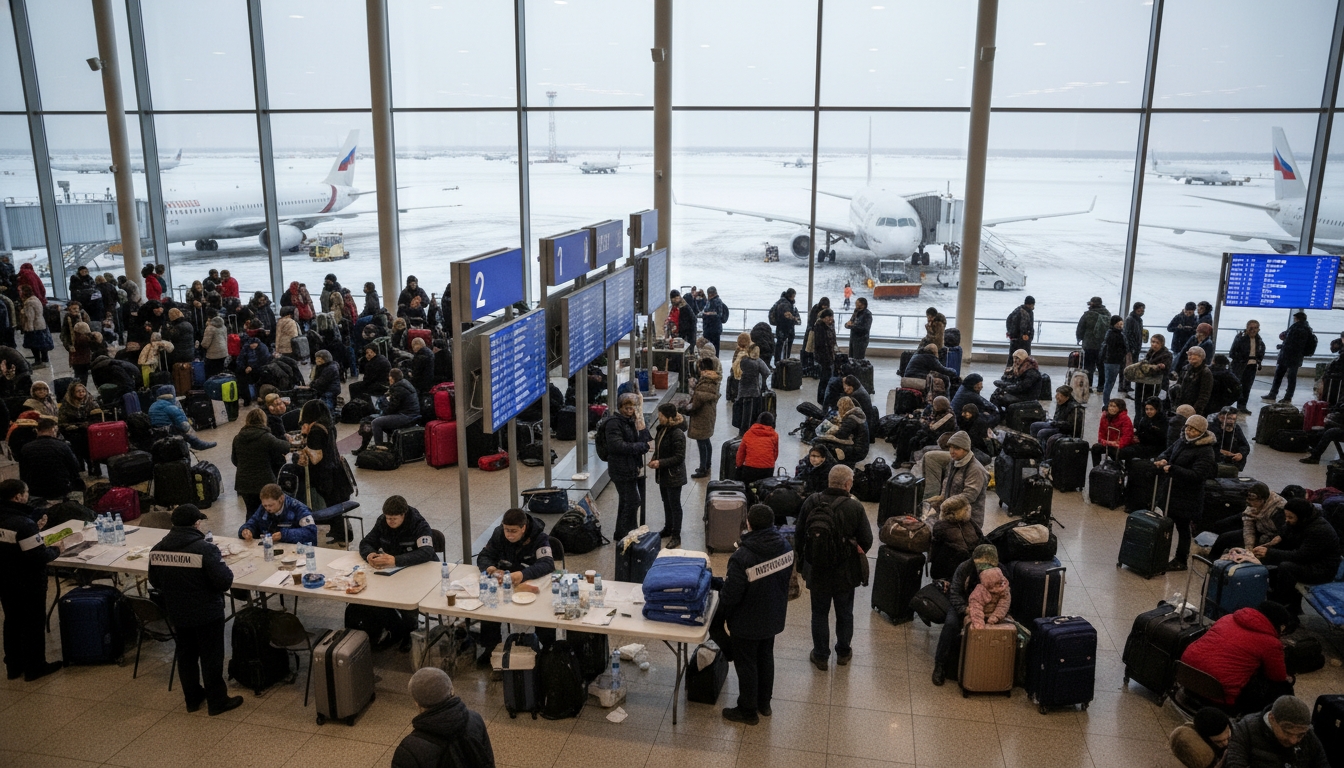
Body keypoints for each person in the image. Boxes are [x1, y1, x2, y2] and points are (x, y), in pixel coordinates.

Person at [148, 504, 243, 716]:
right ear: (196, 523)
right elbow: (224, 581)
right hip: (206, 613)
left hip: (178, 613)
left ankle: (192, 698)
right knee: (211, 657)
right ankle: (217, 701)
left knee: (186, 656)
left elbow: (154, 581)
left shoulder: (157, 549)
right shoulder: (204, 549)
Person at [720, 503, 793, 725]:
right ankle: (764, 703)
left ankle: (747, 710)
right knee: (765, 657)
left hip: (747, 621)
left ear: (748, 524)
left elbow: (732, 595)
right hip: (773, 615)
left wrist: (721, 613)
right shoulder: (785, 546)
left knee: (747, 664)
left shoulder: (743, 556)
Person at [796, 465, 873, 671]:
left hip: (817, 568)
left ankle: (820, 655)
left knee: (819, 613)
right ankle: (843, 652)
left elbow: (799, 534)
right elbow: (867, 540)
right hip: (845, 572)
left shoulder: (811, 502)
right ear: (848, 484)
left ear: (829, 481)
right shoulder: (855, 507)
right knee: (845, 612)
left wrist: (804, 563)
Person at [1181, 602, 1295, 714]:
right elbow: (1277, 677)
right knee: (1281, 687)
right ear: (1280, 626)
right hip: (1218, 698)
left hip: (1187, 678)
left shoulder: (1227, 618)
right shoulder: (1272, 643)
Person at [0, 478, 63, 681]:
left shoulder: (11, 520)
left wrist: (35, 529)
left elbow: (13, 544)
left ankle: (14, 666)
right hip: (28, 582)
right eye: (26, 493)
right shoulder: (23, 524)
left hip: (5, 580)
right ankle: (35, 667)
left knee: (12, 622)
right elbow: (38, 557)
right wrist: (56, 549)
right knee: (32, 624)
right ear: (18, 496)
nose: (28, 497)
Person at [358, 496, 437, 651]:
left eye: (394, 519)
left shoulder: (419, 525)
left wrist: (396, 560)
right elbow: (366, 542)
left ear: (404, 514)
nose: (390, 522)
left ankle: (409, 632)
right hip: (391, 572)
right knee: (373, 599)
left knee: (407, 601)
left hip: (418, 572)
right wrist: (370, 555)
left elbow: (427, 552)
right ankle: (395, 629)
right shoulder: (382, 521)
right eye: (388, 518)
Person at [476, 507, 554, 658]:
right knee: (489, 604)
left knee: (544, 610)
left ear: (523, 528)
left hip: (532, 584)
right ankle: (490, 649)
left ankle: (548, 650)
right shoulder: (499, 534)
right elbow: (484, 555)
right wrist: (490, 568)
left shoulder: (539, 537)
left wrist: (523, 574)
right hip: (506, 583)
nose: (509, 535)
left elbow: (547, 564)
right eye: (506, 530)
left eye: (513, 531)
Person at [393, 667, 495, 768]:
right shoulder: (474, 719)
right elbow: (488, 762)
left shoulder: (409, 750)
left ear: (416, 703)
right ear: (452, 691)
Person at [1154, 413, 1218, 570]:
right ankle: (1162, 554)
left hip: (1188, 497)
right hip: (1171, 493)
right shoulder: (1182, 440)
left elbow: (1198, 475)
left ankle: (1181, 560)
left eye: (1194, 430)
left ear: (1202, 432)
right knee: (1168, 525)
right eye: (1188, 427)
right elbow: (1167, 452)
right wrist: (1162, 459)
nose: (1189, 432)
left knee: (1183, 529)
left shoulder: (1206, 451)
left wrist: (1173, 468)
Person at [1258, 497, 1341, 617]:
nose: (1287, 520)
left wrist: (1269, 552)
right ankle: (1282, 604)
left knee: (1286, 568)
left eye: (1290, 517)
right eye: (1286, 516)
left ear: (1301, 516)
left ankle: (1282, 607)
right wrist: (1280, 537)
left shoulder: (1319, 530)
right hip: (1310, 561)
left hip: (1323, 570)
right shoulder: (1302, 521)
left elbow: (1300, 556)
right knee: (1272, 561)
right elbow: (1286, 529)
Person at [932, 544, 1000, 685]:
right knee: (950, 625)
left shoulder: (1000, 572)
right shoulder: (964, 568)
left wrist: (994, 612)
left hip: (990, 609)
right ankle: (940, 664)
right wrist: (965, 609)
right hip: (965, 605)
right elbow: (955, 592)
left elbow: (1005, 596)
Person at [1224, 695, 1330, 768]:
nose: (1293, 741)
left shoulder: (1308, 735)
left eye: (1300, 735)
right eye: (1287, 732)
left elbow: (1321, 763)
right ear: (1272, 719)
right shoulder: (1245, 729)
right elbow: (1235, 763)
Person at [604, 393, 650, 543]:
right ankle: (627, 533)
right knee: (633, 501)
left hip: (630, 467)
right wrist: (638, 447)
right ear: (620, 407)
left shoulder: (631, 421)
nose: (630, 411)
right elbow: (616, 445)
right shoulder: (614, 423)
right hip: (620, 468)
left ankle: (621, 533)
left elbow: (646, 438)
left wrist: (640, 422)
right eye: (627, 408)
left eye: (632, 408)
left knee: (626, 501)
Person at [295, 401, 353, 517]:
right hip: (335, 470)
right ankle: (341, 531)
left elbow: (315, 457)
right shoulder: (329, 426)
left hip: (324, 474)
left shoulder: (316, 430)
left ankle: (339, 532)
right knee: (336, 507)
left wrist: (303, 444)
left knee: (331, 507)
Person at [924, 430, 990, 529]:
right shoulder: (954, 461)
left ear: (966, 449)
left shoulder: (976, 469)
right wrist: (940, 498)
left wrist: (945, 505)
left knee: (934, 530)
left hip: (967, 519)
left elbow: (969, 496)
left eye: (956, 448)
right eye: (950, 447)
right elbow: (947, 482)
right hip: (950, 511)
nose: (951, 451)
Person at [231, 408, 293, 513]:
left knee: (251, 512)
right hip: (264, 482)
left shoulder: (238, 438)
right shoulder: (266, 437)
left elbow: (234, 460)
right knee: (270, 512)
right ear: (263, 420)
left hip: (244, 484)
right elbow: (285, 447)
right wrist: (289, 440)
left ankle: (250, 529)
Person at [650, 402, 687, 549]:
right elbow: (659, 448)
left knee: (675, 505)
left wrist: (660, 463)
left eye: (661, 415)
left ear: (668, 417)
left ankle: (676, 535)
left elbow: (679, 457)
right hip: (664, 474)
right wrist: (654, 458)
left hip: (674, 475)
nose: (659, 418)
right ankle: (668, 528)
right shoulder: (662, 429)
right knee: (666, 502)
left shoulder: (677, 433)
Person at [20, 417, 83, 499]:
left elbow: (23, 473)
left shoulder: (26, 448)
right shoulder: (63, 446)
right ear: (53, 429)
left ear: (37, 430)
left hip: (35, 490)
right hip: (60, 489)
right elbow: (75, 467)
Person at [1264, 311, 1317, 405]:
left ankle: (1276, 394)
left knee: (1280, 376)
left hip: (1287, 356)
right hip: (1296, 358)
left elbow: (1289, 341)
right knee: (1291, 377)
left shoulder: (1296, 328)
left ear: (1297, 319)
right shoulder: (1308, 329)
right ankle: (1287, 396)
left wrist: (1282, 346)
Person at [238, 483, 317, 545]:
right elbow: (254, 521)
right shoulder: (263, 508)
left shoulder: (299, 509)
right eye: (265, 505)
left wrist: (284, 535)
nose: (268, 508)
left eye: (271, 505)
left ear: (281, 499)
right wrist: (246, 530)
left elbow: (311, 532)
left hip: (297, 550)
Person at [929, 496, 984, 581]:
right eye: (966, 509)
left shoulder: (969, 521)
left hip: (973, 561)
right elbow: (944, 551)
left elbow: (981, 537)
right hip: (954, 567)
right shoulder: (941, 527)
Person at [149, 388, 217, 451]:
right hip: (168, 431)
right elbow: (183, 426)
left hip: (156, 432)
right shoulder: (171, 407)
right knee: (183, 433)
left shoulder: (153, 405)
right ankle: (198, 445)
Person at [686, 357, 721, 479]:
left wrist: (686, 407)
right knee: (706, 440)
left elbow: (698, 400)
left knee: (702, 442)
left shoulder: (705, 381)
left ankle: (703, 468)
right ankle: (707, 464)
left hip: (702, 415)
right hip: (709, 414)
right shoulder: (712, 379)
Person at [57, 382, 102, 477]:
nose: (81, 393)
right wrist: (73, 426)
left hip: (89, 429)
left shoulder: (91, 402)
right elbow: (62, 422)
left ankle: (93, 468)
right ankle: (80, 466)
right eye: (78, 391)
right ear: (73, 393)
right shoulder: (67, 405)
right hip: (73, 431)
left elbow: (97, 418)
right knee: (78, 442)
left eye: (83, 391)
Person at [814, 396, 869, 466]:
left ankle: (836, 457)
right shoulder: (857, 415)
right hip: (861, 448)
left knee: (819, 442)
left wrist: (832, 428)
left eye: (839, 407)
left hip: (857, 451)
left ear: (843, 407)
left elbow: (840, 435)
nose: (839, 410)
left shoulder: (851, 419)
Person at [733, 343, 772, 436]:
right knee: (749, 414)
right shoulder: (758, 362)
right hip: (753, 391)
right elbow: (767, 372)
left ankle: (741, 431)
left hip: (742, 390)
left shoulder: (741, 359)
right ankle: (746, 433)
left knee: (742, 412)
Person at [1229, 320, 1266, 414]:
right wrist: (1242, 359)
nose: (1253, 330)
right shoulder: (1240, 338)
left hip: (1252, 366)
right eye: (1251, 328)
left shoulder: (1259, 340)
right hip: (1240, 366)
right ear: (1247, 328)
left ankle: (1242, 406)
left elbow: (1261, 350)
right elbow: (1232, 353)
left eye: (1255, 328)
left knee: (1247, 387)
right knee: (1235, 386)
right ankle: (1228, 405)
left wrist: (1258, 359)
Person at [1076, 296, 1111, 388]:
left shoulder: (1088, 315)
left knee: (1089, 366)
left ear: (1091, 304)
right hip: (1103, 345)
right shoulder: (1107, 314)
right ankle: (1101, 386)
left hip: (1089, 345)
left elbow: (1080, 328)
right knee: (1102, 366)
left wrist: (1079, 338)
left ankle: (1088, 385)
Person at [736, 412, 779, 484]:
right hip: (768, 469)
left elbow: (741, 453)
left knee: (748, 487)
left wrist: (739, 466)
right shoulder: (774, 435)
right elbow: (775, 453)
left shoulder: (749, 433)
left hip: (750, 468)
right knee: (765, 489)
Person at [1091, 398, 1135, 467]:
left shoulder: (1125, 419)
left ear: (1120, 408)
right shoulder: (1104, 417)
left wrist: (1116, 444)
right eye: (1110, 406)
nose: (1111, 408)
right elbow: (1101, 435)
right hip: (1109, 443)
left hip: (1120, 445)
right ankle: (1096, 468)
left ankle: (1120, 468)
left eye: (1114, 406)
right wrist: (1107, 442)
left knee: (1114, 452)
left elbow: (1127, 437)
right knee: (1095, 448)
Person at [966, 565, 1011, 629]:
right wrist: (979, 623)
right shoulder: (980, 591)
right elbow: (975, 607)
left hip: (998, 616)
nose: (1000, 585)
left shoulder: (1004, 589)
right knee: (971, 628)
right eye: (996, 583)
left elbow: (1003, 605)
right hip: (979, 616)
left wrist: (996, 617)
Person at [1174, 347, 1215, 416]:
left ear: (1201, 357)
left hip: (1195, 408)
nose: (1190, 357)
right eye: (1189, 354)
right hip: (1182, 405)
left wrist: (1196, 409)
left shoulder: (1206, 372)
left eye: (1193, 354)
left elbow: (1204, 395)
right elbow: (1179, 384)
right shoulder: (1185, 369)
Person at [18, 284, 51, 368]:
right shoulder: (35, 299)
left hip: (34, 326)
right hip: (41, 323)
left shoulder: (28, 302)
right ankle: (44, 358)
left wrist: (29, 328)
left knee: (34, 344)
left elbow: (30, 317)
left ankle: (38, 361)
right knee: (42, 342)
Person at [1212, 406, 1252, 474]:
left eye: (1233, 419)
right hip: (1215, 460)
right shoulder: (1212, 427)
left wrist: (1241, 454)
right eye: (1229, 418)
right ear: (1220, 417)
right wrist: (1222, 451)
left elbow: (1245, 445)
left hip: (1232, 460)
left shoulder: (1236, 428)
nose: (1231, 421)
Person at [1101, 314, 1129, 401]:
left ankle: (1106, 401)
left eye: (1121, 324)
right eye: (1118, 324)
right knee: (1109, 382)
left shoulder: (1111, 333)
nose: (1120, 326)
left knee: (1109, 382)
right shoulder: (1116, 335)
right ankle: (1106, 402)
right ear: (1114, 324)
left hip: (1112, 361)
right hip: (1113, 361)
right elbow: (1120, 347)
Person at [812, 308, 837, 404]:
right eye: (828, 317)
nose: (830, 319)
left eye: (831, 317)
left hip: (830, 355)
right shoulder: (819, 327)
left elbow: (833, 339)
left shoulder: (831, 325)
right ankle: (821, 398)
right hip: (823, 357)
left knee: (827, 377)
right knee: (824, 379)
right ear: (823, 318)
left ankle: (825, 397)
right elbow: (819, 344)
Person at [1121, 302, 1145, 395]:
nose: (1142, 312)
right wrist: (1130, 348)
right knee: (1128, 366)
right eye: (1140, 310)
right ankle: (1125, 385)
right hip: (1131, 348)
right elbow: (1127, 335)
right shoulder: (1130, 319)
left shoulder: (1138, 319)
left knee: (1130, 366)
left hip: (1135, 347)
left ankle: (1127, 384)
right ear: (1135, 309)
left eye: (1143, 310)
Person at [771, 289, 800, 363]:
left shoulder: (780, 303)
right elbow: (789, 317)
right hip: (787, 329)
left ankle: (777, 362)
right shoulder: (789, 305)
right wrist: (794, 319)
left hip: (780, 328)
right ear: (792, 296)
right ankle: (784, 362)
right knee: (786, 347)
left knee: (779, 346)